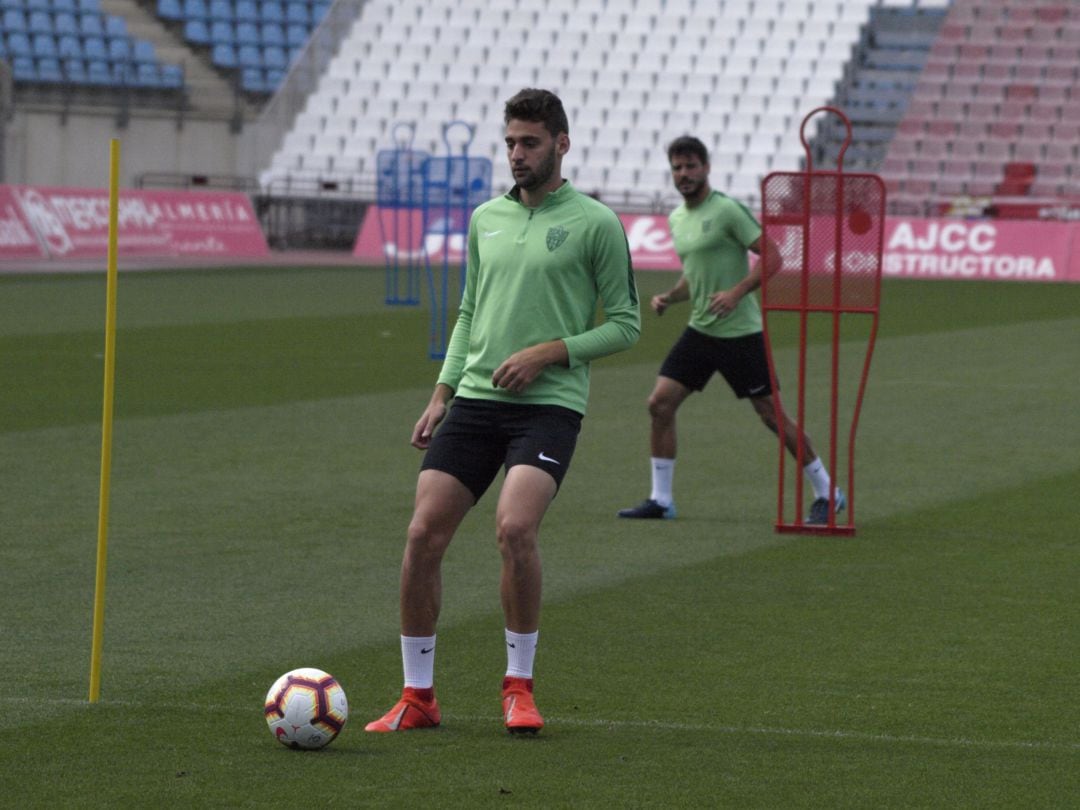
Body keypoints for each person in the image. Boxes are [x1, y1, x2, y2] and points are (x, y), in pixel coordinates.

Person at [366, 88, 641, 735]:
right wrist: (442, 393)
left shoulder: (597, 223)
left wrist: (549, 353)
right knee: (420, 536)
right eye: (511, 142)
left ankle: (518, 686)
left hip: (548, 407)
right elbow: (468, 312)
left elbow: (627, 325)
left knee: (514, 529)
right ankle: (418, 697)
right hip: (475, 401)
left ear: (562, 144)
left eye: (530, 143)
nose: (516, 154)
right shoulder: (486, 217)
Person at [617, 135, 844, 525]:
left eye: (691, 166)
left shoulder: (726, 211)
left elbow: (773, 255)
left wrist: (738, 292)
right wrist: (671, 297)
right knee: (659, 404)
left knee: (772, 417)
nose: (684, 174)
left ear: (706, 168)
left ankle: (828, 491)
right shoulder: (676, 219)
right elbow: (696, 275)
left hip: (740, 334)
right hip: (701, 331)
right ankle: (661, 499)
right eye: (677, 167)